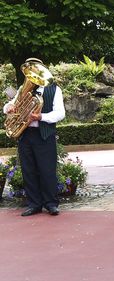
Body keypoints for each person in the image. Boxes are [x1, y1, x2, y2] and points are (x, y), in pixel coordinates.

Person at [3, 58, 65, 216]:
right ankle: (34, 204)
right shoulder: (23, 88)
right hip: (26, 134)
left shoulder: (54, 90)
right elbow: (11, 104)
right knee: (28, 170)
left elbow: (60, 113)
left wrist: (40, 117)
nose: (32, 75)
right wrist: (8, 107)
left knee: (47, 170)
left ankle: (51, 203)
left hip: (44, 134)